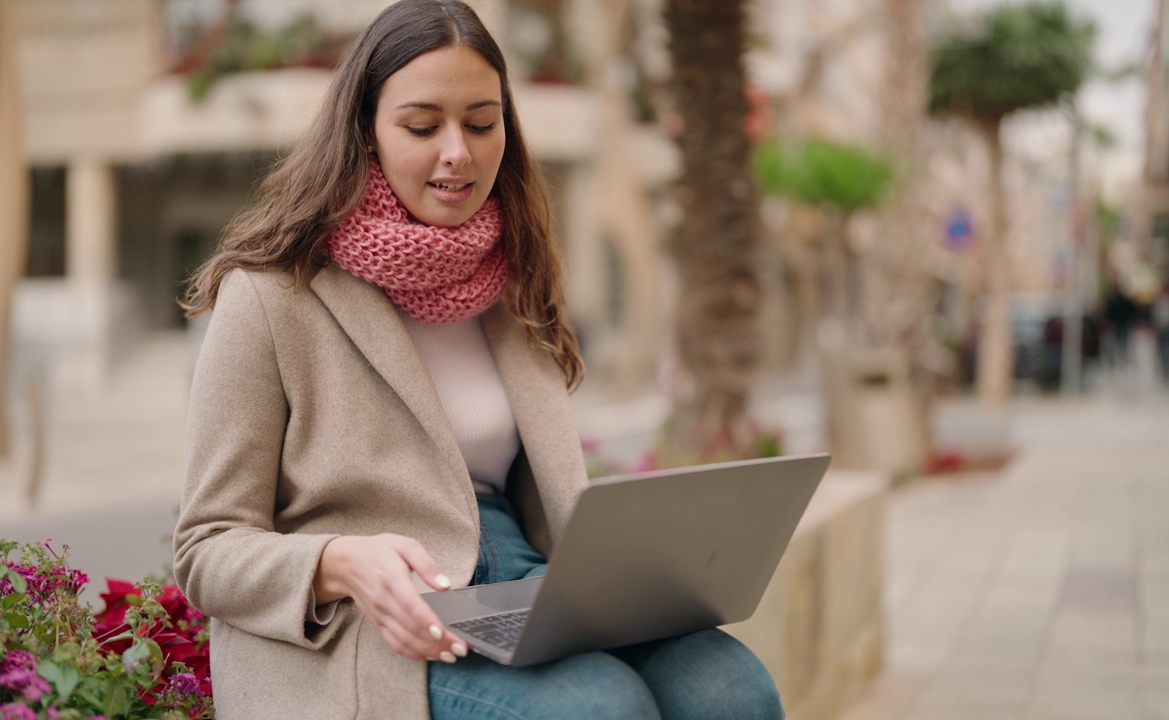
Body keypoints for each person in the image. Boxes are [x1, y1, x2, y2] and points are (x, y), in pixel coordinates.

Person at [173, 2, 784, 718]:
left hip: (524, 587)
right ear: (365, 133)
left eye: (482, 122)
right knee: (599, 709)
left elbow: (544, 503)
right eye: (423, 126)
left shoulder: (514, 280)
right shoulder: (270, 295)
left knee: (733, 690)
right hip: (371, 624)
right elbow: (206, 547)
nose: (458, 151)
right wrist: (341, 561)